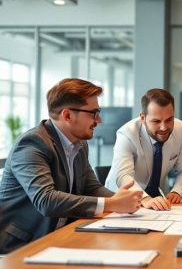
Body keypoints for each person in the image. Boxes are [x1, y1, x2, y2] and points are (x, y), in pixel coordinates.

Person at [0, 78, 142, 254]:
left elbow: (91, 187)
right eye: (93, 112)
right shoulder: (32, 143)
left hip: (61, 237)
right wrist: (112, 203)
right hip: (22, 246)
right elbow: (46, 200)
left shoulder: (80, 143)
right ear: (67, 115)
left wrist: (124, 201)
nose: (99, 120)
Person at [105, 88, 182, 211]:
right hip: (122, 200)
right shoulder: (126, 134)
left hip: (159, 198)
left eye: (169, 119)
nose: (164, 127)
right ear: (142, 117)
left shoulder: (180, 129)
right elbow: (124, 175)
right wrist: (145, 199)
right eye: (156, 121)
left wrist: (177, 191)